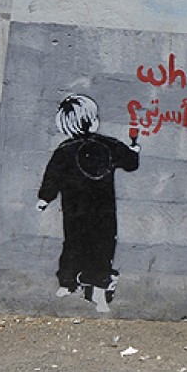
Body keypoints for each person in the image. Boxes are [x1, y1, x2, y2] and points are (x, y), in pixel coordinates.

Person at [37, 94, 140, 313]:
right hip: (103, 212)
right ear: (93, 120)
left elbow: (52, 177)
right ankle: (99, 293)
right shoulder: (108, 145)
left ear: (65, 124)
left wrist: (44, 198)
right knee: (102, 248)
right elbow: (130, 163)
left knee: (73, 244)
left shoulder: (64, 150)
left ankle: (67, 283)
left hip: (75, 212)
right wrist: (135, 150)